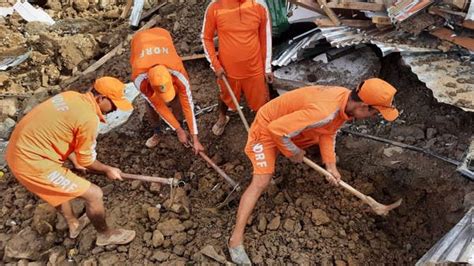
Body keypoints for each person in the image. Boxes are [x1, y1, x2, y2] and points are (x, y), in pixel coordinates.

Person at [227, 78, 399, 264]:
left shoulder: (344, 100)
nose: (374, 116)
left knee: (306, 142)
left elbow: (328, 132)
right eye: (375, 112)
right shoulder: (324, 111)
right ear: (364, 106)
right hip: (267, 128)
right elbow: (276, 130)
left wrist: (331, 166)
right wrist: (293, 152)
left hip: (286, 124)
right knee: (262, 180)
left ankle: (280, 152)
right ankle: (235, 241)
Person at [5, 77, 136, 246]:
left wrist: (74, 160)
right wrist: (107, 169)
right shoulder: (89, 119)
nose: (115, 109)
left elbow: (61, 129)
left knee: (58, 187)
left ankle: (73, 223)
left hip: (18, 150)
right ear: (101, 98)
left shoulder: (70, 96)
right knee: (95, 194)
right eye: (114, 104)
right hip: (32, 163)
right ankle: (105, 235)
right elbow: (88, 160)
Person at [201, 0, 273, 136]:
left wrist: (267, 67)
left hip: (254, 69)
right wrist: (215, 65)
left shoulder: (259, 5)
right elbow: (206, 38)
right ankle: (222, 118)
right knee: (224, 96)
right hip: (227, 71)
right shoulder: (215, 6)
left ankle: (261, 126)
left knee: (261, 100)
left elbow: (266, 38)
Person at [130, 27, 204, 153]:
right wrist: (178, 131)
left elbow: (188, 104)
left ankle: (180, 123)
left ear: (171, 78)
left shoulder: (178, 72)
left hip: (161, 35)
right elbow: (159, 106)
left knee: (176, 98)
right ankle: (157, 132)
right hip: (140, 41)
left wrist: (195, 138)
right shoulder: (139, 78)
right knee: (150, 103)